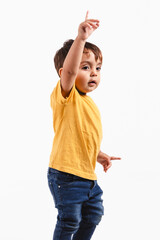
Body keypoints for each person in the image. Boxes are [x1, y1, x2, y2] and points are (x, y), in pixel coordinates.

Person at [47, 11, 121, 240]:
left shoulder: (90, 104)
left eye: (98, 68)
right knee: (70, 219)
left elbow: (82, 137)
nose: (94, 73)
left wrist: (99, 155)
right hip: (66, 176)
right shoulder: (66, 96)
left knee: (93, 214)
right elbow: (69, 71)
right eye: (86, 67)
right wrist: (80, 39)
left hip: (87, 177)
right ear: (65, 74)